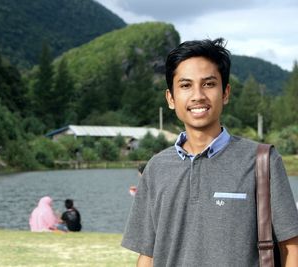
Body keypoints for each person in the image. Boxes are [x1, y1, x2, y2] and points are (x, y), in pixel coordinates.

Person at [121, 38, 298, 266]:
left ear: (225, 93)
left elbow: (291, 248)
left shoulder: (262, 160)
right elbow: (148, 255)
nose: (198, 96)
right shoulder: (156, 167)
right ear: (171, 98)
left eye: (209, 84)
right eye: (185, 85)